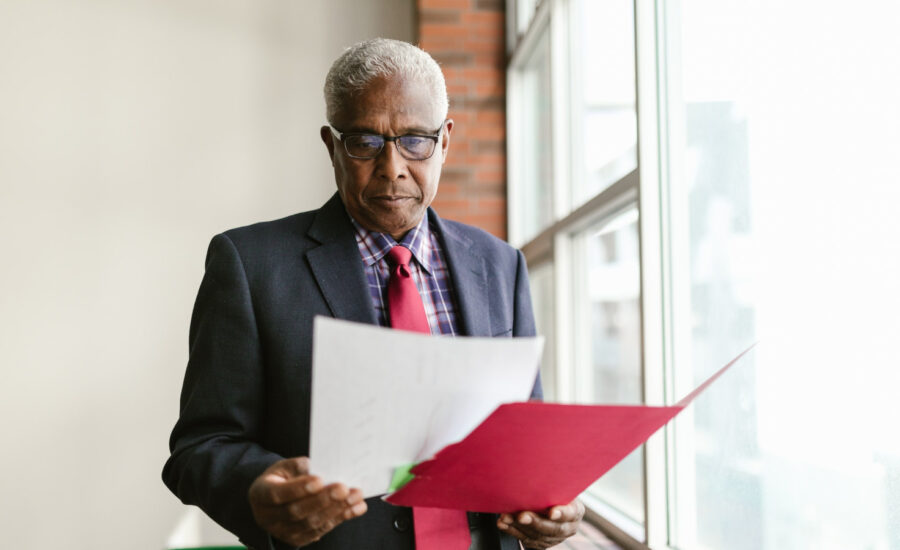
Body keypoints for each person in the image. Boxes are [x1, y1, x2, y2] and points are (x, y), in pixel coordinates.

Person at [162, 38, 584, 550]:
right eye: (364, 142)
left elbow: (525, 442)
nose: (392, 168)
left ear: (445, 141)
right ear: (331, 145)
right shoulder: (250, 266)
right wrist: (259, 490)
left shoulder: (501, 266)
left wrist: (553, 505)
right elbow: (200, 446)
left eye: (415, 140)